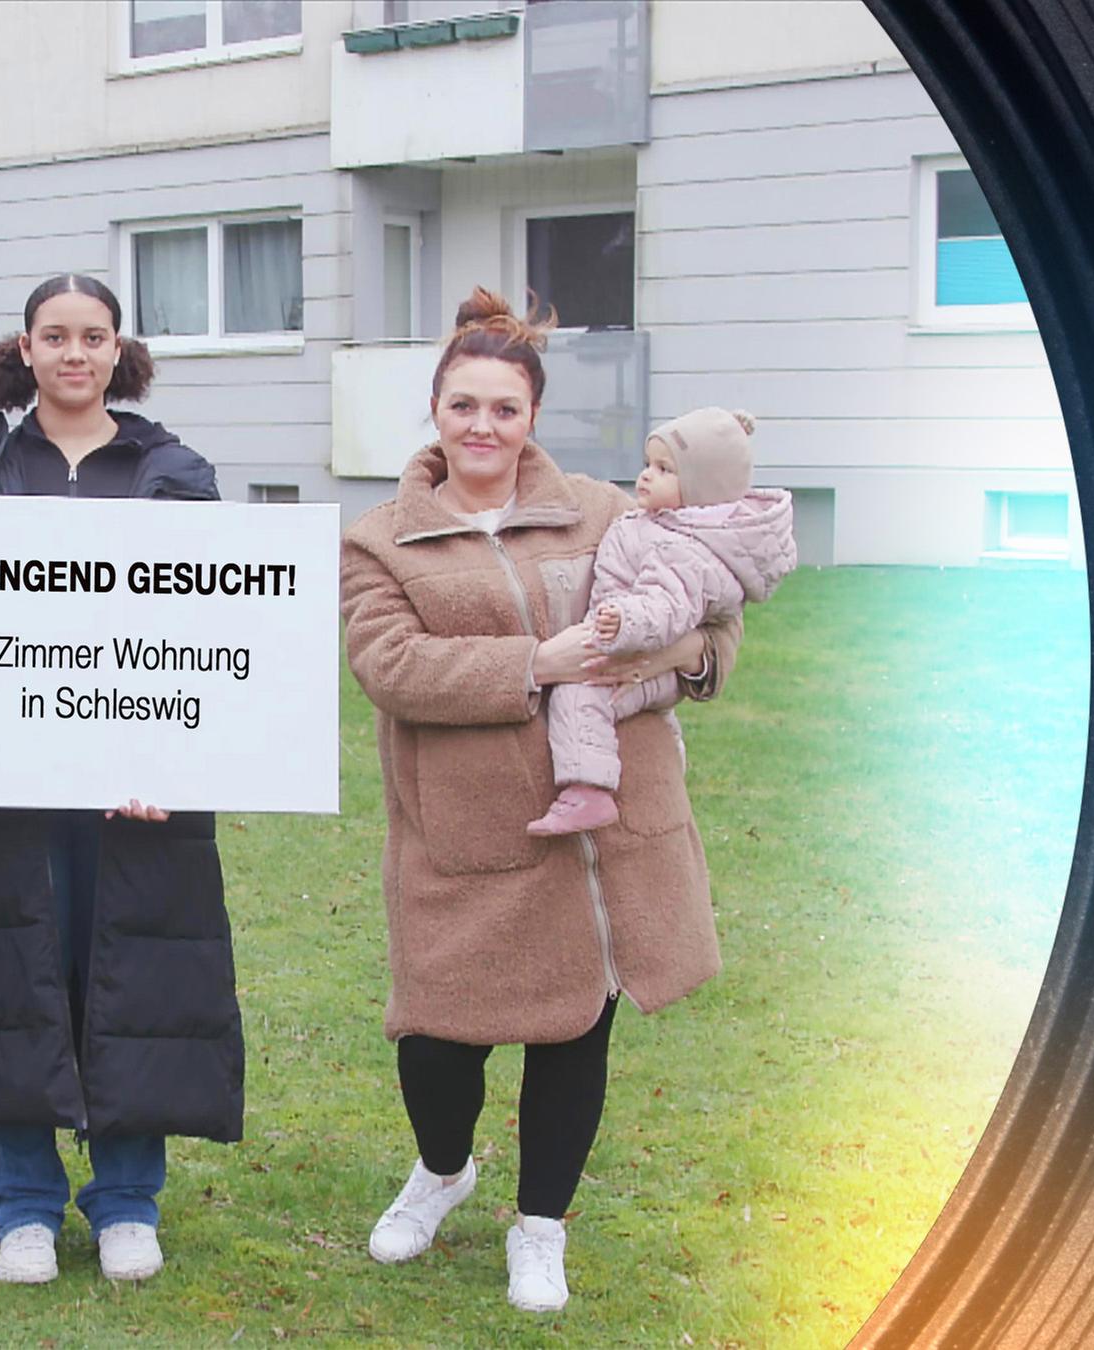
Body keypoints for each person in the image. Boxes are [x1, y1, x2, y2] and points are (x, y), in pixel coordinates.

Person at [338, 287, 741, 1314]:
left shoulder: (606, 510)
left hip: (597, 839)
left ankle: (541, 1228)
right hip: (465, 839)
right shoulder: (380, 540)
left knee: (575, 1032)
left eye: (504, 409)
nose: (483, 426)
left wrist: (678, 660)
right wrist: (542, 659)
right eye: (463, 405)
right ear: (435, 409)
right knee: (437, 1040)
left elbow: (714, 610)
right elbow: (392, 667)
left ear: (532, 417)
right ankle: (442, 1170)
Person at [0, 273, 244, 1287]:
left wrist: (175, 758)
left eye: (93, 337)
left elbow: (214, 628)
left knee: (134, 975)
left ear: (120, 350)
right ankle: (23, 1206)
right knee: (13, 978)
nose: (75, 354)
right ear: (24, 350)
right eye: (55, 337)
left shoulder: (175, 473)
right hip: (4, 796)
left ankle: (126, 1201)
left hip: (139, 793)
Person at [526, 406, 796, 835]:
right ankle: (668, 747)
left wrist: (622, 623)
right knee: (625, 702)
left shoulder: (682, 548)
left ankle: (589, 789)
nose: (647, 476)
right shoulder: (662, 526)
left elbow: (666, 606)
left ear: (699, 489)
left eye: (665, 469)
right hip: (639, 643)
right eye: (648, 464)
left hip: (637, 644)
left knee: (580, 695)